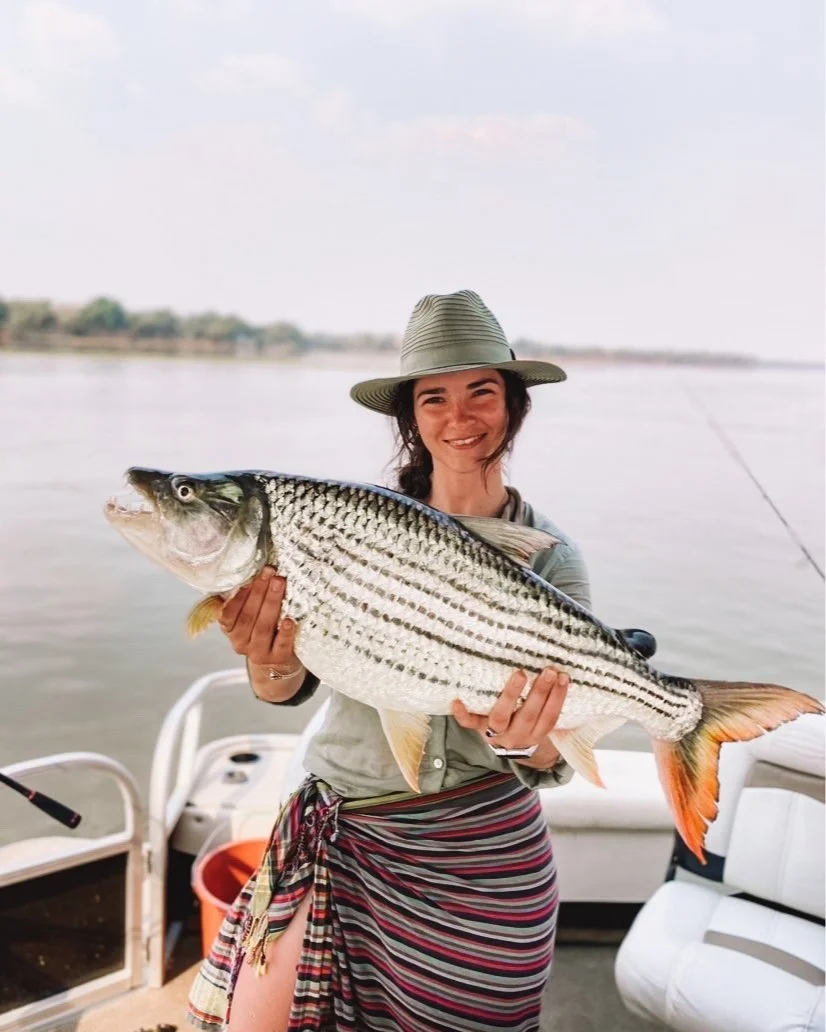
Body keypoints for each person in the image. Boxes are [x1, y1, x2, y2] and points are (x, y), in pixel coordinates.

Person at [187, 289, 591, 1032]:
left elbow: (544, 749)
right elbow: (286, 683)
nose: (459, 418)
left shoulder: (554, 556)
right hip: (341, 830)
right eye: (433, 398)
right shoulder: (346, 523)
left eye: (481, 392)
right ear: (411, 416)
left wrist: (515, 735)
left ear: (515, 405)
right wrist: (265, 659)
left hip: (482, 858)